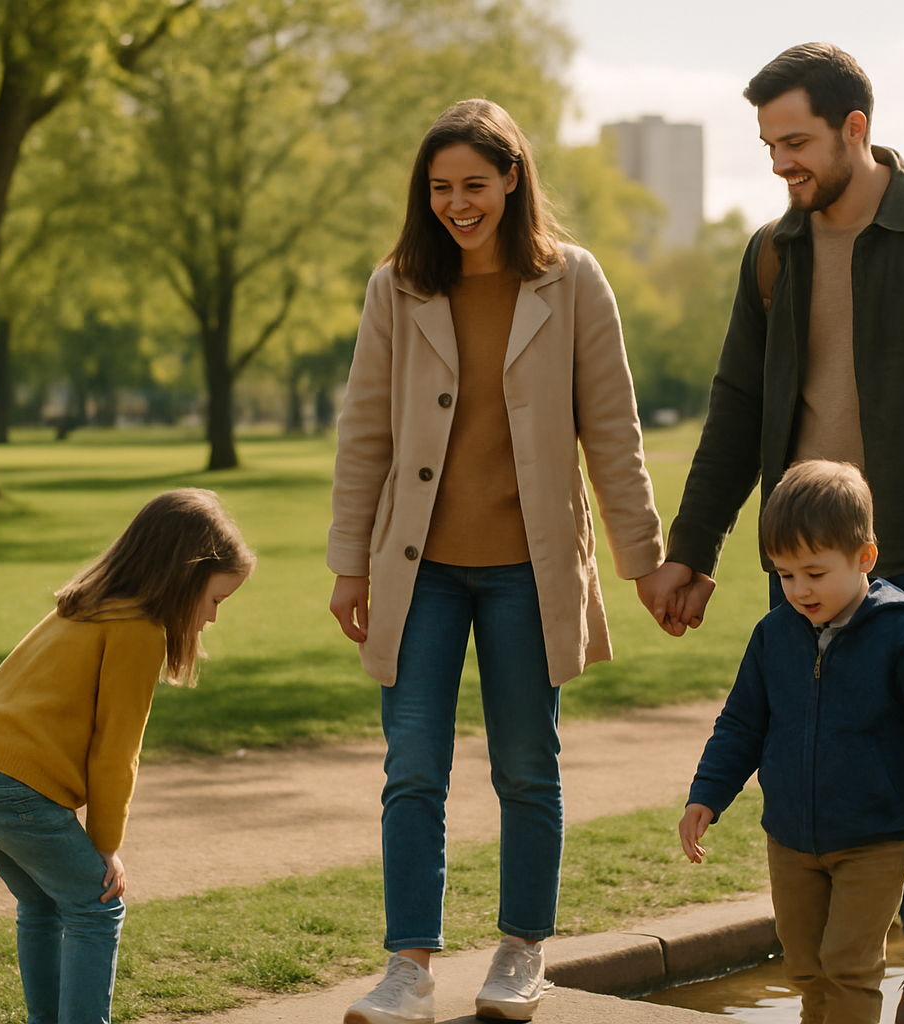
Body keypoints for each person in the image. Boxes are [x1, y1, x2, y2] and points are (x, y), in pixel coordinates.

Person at [637, 42, 904, 1023]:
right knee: (843, 785)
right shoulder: (773, 255)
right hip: (809, 561)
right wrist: (691, 550)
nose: (781, 162)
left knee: (896, 793)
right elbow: (737, 406)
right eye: (770, 143)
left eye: (797, 141)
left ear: (854, 129)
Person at [326, 98, 664, 1024]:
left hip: (529, 570)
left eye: (474, 184)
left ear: (513, 178)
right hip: (418, 570)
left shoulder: (573, 281)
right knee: (412, 771)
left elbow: (613, 433)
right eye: (440, 188)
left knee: (527, 766)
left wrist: (646, 562)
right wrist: (348, 565)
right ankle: (409, 969)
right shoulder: (396, 286)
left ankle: (521, 954)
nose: (457, 204)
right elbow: (364, 435)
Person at [679, 460, 904, 1024]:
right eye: (786, 575)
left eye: (814, 573)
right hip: (790, 838)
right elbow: (741, 724)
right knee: (806, 967)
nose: (799, 590)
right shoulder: (773, 635)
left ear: (864, 557)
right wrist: (707, 794)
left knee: (848, 966)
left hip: (876, 839)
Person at [0, 488, 254, 1024]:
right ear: (184, 575)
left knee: (43, 906)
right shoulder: (140, 629)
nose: (210, 618)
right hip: (17, 787)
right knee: (97, 907)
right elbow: (117, 752)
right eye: (215, 600)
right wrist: (106, 846)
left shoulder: (87, 604)